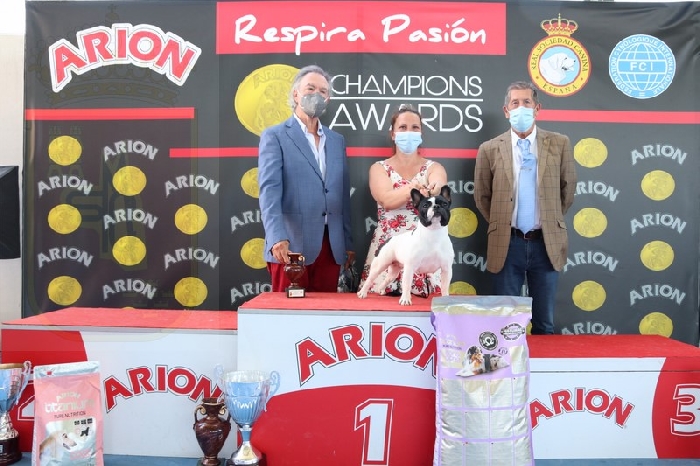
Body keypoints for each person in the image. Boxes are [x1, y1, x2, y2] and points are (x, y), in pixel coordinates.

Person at [474, 81, 577, 334]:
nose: (521, 108)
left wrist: (549, 220)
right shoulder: (489, 149)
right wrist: (502, 223)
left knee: (544, 324)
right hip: (507, 244)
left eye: (527, 102)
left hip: (546, 243)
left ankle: (545, 363)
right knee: (504, 323)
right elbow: (482, 196)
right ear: (506, 110)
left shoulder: (560, 143)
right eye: (515, 103)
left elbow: (567, 190)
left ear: (537, 108)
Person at [258, 65, 355, 292]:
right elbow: (269, 192)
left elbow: (342, 195)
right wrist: (276, 237)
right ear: (296, 94)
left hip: (331, 248)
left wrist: (347, 242)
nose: (316, 95)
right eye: (310, 89)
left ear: (328, 99)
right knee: (288, 312)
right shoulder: (275, 136)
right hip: (290, 245)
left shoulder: (337, 140)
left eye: (323, 91)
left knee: (325, 311)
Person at [358, 104, 448, 298]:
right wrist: (412, 189)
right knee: (377, 305)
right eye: (403, 127)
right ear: (393, 134)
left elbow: (439, 182)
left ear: (421, 133)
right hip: (389, 248)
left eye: (415, 128)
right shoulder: (379, 168)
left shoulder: (434, 167)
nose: (409, 132)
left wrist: (434, 188)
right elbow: (386, 200)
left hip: (426, 251)